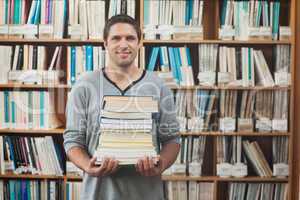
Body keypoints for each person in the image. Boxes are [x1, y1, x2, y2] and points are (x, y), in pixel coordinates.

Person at [63, 14, 180, 200]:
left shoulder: (158, 85)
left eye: (130, 38)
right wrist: (87, 166)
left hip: (146, 193)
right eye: (116, 38)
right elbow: (73, 139)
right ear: (105, 43)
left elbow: (172, 139)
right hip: (98, 193)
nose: (123, 44)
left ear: (139, 43)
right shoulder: (84, 85)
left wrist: (162, 164)